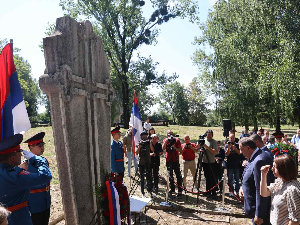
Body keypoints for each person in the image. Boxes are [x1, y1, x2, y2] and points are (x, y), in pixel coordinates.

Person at [0, 134, 52, 225]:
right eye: (19, 152)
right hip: (18, 219)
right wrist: (36, 159)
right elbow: (45, 176)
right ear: (13, 158)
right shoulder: (16, 175)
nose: (21, 154)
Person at [239, 137, 274, 225]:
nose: (240, 152)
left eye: (241, 149)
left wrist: (259, 215)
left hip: (260, 212)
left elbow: (261, 190)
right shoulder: (254, 156)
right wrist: (242, 187)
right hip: (254, 209)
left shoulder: (260, 160)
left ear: (248, 148)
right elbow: (248, 175)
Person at [260, 155, 300, 225]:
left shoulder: (292, 189)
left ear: (283, 169)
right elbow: (264, 193)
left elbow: (295, 221)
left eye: (275, 167)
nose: (272, 169)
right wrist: (263, 175)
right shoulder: (280, 181)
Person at [24, 132, 52, 225]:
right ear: (31, 148)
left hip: (45, 200)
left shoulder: (43, 160)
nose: (42, 147)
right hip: (34, 204)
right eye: (39, 145)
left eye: (42, 145)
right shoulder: (26, 164)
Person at [162, 130, 183, 198]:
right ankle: (172, 189)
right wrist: (166, 141)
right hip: (168, 160)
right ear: (166, 135)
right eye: (168, 134)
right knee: (170, 175)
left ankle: (180, 190)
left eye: (171, 134)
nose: (170, 135)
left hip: (175, 160)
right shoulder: (165, 140)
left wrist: (175, 147)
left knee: (178, 175)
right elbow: (163, 148)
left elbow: (181, 150)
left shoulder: (176, 140)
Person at [200, 129, 219, 198]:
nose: (209, 135)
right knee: (207, 177)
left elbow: (215, 152)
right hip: (204, 161)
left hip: (211, 161)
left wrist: (207, 147)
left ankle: (213, 192)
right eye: (208, 134)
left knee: (212, 177)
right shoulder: (203, 140)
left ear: (212, 135)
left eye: (210, 134)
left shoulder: (213, 142)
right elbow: (198, 148)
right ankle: (208, 191)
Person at [136, 131, 153, 197]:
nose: (145, 138)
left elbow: (152, 150)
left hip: (148, 162)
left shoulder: (148, 143)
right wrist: (139, 146)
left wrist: (150, 144)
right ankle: (143, 192)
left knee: (149, 177)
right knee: (142, 178)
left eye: (146, 136)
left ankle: (149, 190)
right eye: (144, 137)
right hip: (142, 163)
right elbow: (136, 153)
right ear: (141, 137)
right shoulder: (139, 143)